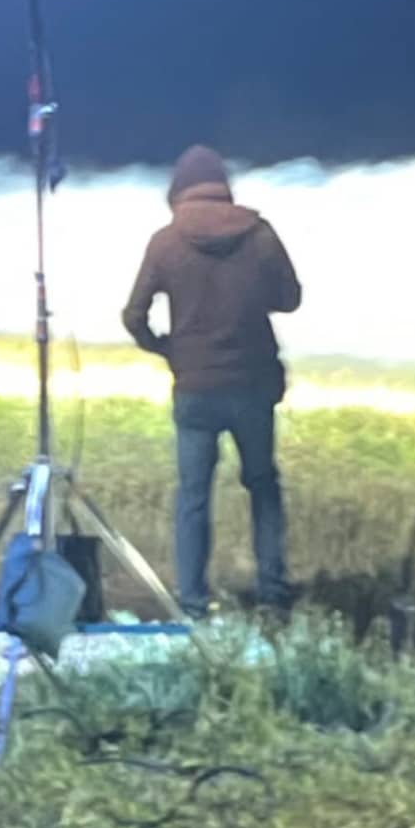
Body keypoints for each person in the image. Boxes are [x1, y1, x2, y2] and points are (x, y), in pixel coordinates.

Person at [122, 145, 302, 615]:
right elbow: (290, 298)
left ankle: (193, 601)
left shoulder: (166, 241)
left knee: (193, 496)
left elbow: (133, 315)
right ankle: (273, 593)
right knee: (263, 486)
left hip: (195, 388)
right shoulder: (259, 234)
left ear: (178, 191)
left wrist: (167, 348)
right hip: (253, 381)